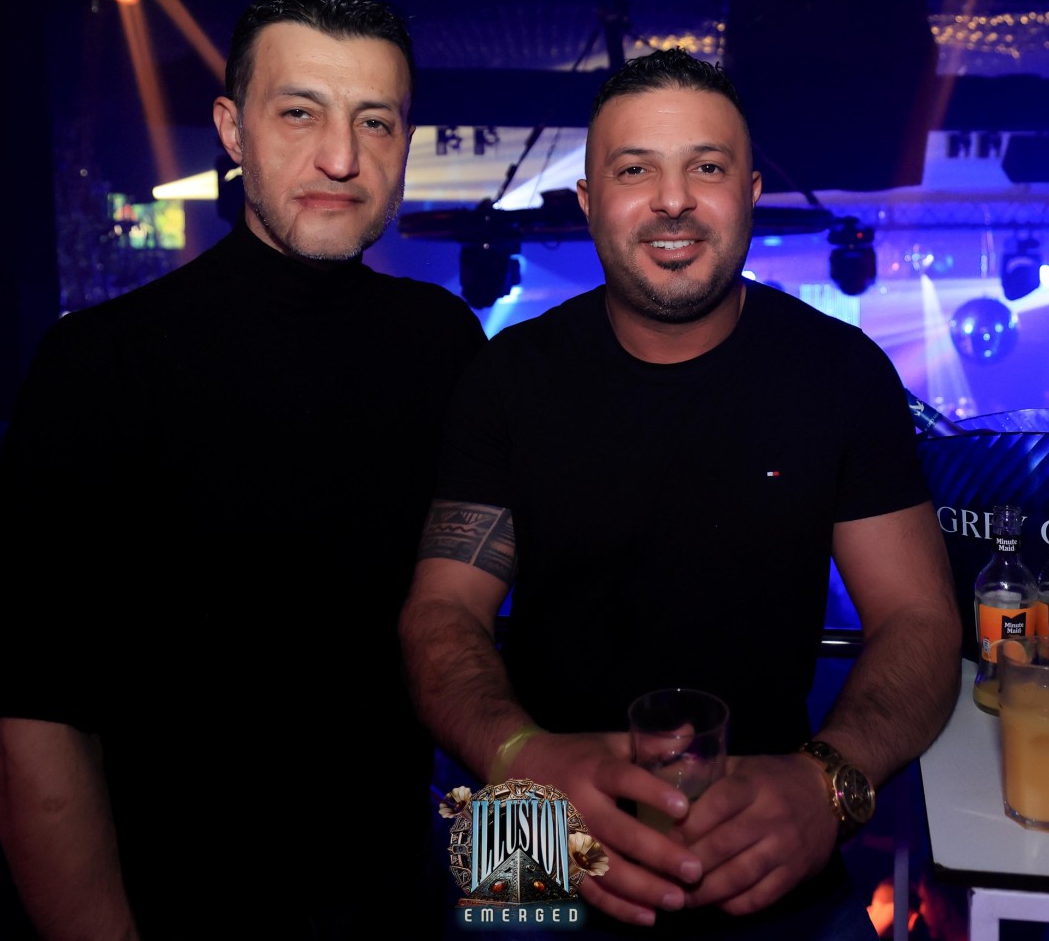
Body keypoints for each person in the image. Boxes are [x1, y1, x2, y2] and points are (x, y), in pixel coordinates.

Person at [398, 47, 961, 937]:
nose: (672, 200)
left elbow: (921, 621)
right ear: (588, 201)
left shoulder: (840, 372)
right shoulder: (509, 376)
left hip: (764, 815)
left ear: (750, 193)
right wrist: (521, 758)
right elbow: (440, 615)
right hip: (529, 816)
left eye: (707, 167)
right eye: (635, 170)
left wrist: (828, 781)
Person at [0, 0, 487, 940]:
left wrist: (521, 907)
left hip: (406, 901)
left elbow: (493, 644)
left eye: (375, 121)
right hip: (185, 911)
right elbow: (32, 729)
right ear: (232, 130)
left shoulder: (443, 342)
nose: (341, 157)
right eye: (299, 113)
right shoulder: (103, 365)